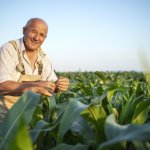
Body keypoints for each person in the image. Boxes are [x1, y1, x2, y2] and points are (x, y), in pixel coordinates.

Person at [0, 18, 69, 123]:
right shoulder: (9, 49)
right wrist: (35, 87)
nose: (37, 38)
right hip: (5, 114)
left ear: (45, 38)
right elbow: (2, 85)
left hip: (31, 116)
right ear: (24, 30)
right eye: (34, 32)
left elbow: (51, 85)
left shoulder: (44, 57)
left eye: (42, 35)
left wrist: (59, 85)